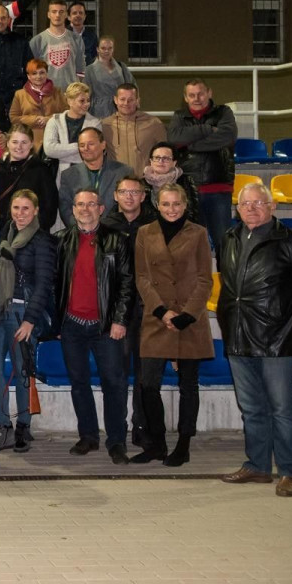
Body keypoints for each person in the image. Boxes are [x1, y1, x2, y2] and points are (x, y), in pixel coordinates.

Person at [217, 181, 292, 497]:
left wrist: (291, 321)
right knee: (251, 407)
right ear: (237, 208)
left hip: (277, 341)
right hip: (239, 336)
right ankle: (258, 466)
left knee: (283, 409)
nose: (251, 208)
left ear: (272, 206)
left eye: (258, 203)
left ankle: (290, 472)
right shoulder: (230, 238)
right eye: (245, 203)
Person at [131, 183, 213, 467]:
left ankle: (184, 444)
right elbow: (141, 277)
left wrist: (186, 315)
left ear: (185, 204)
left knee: (188, 386)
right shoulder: (144, 233)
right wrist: (161, 311)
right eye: (166, 204)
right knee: (148, 385)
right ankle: (157, 443)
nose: (171, 209)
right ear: (157, 205)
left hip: (191, 320)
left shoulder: (199, 233)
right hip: (157, 318)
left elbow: (205, 278)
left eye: (176, 204)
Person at [55, 188, 136, 464]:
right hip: (72, 326)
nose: (85, 209)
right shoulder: (61, 240)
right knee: (79, 383)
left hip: (106, 327)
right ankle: (88, 436)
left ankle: (116, 441)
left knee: (114, 383)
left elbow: (127, 283)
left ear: (101, 209)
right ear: (73, 209)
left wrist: (120, 320)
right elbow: (55, 284)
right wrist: (57, 321)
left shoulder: (118, 240)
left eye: (91, 204)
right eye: (80, 204)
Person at [0, 190, 56, 453]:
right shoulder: (4, 233)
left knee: (23, 371)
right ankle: (3, 426)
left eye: (26, 209)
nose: (20, 214)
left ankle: (24, 424)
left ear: (35, 211)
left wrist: (30, 321)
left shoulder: (42, 240)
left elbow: (44, 284)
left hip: (23, 314)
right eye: (16, 208)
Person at [102, 175, 158, 448]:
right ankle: (118, 428)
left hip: (148, 308)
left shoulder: (156, 225)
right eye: (123, 191)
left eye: (135, 192)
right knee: (119, 373)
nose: (129, 196)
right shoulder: (106, 227)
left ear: (143, 196)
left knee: (144, 373)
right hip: (119, 311)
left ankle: (141, 425)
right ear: (115, 196)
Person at [167, 79, 237, 254]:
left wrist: (189, 144)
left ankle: (228, 282)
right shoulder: (179, 117)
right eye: (191, 95)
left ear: (209, 93)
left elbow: (226, 137)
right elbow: (174, 139)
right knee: (193, 249)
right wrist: (206, 130)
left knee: (224, 247)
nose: (196, 98)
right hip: (190, 191)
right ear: (185, 97)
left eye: (200, 93)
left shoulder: (223, 113)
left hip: (219, 189)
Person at [0, 124, 58, 232]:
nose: (19, 147)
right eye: (15, 142)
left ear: (31, 144)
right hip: (1, 233)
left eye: (24, 142)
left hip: (32, 234)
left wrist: (35, 229)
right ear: (7, 143)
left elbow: (49, 206)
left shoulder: (41, 170)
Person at [58, 128, 134, 229]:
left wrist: (104, 230)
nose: (86, 148)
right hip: (80, 234)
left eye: (91, 144)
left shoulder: (123, 171)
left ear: (103, 145)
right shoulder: (68, 175)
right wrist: (82, 229)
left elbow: (129, 206)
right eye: (82, 145)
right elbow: (65, 209)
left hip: (115, 233)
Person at [43, 81, 102, 185]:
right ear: (70, 101)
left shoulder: (95, 123)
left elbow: (94, 152)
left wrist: (61, 153)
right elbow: (49, 149)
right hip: (59, 177)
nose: (86, 104)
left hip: (87, 176)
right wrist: (80, 147)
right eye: (82, 101)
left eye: (88, 100)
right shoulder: (54, 121)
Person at [101, 82, 165, 170]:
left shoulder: (153, 123)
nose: (126, 103)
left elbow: (164, 153)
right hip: (116, 180)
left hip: (145, 180)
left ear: (137, 101)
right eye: (122, 99)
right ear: (115, 100)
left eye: (130, 100)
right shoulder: (105, 125)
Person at [29, 0, 85, 92]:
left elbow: (80, 70)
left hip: (70, 96)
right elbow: (31, 72)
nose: (57, 15)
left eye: (61, 12)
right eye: (54, 12)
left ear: (66, 15)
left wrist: (75, 92)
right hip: (46, 95)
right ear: (48, 14)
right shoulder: (37, 41)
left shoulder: (76, 39)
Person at [9, 59, 66, 147]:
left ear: (46, 74)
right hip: (29, 142)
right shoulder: (19, 94)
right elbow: (13, 118)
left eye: (42, 72)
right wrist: (34, 120)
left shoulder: (57, 92)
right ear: (28, 76)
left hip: (55, 140)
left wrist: (49, 119)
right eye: (34, 73)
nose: (38, 76)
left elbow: (66, 114)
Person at [141, 141, 199, 224]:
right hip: (150, 231)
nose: (161, 161)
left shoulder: (186, 181)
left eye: (166, 158)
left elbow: (192, 212)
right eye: (157, 158)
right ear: (151, 161)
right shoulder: (141, 184)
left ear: (174, 163)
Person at [85, 36, 134, 120]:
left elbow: (132, 87)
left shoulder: (121, 67)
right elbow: (85, 93)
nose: (106, 51)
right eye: (103, 48)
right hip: (98, 112)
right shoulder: (89, 70)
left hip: (121, 108)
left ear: (113, 49)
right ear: (97, 49)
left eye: (109, 48)